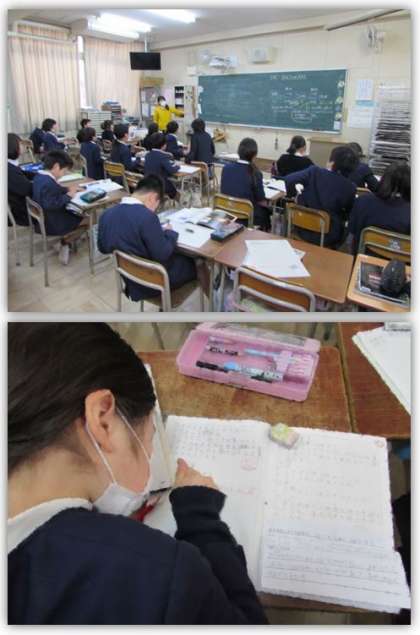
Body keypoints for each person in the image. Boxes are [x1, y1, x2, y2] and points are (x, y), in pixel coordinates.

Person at [8, 322, 267, 625]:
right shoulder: (160, 574)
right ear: (103, 420)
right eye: (150, 439)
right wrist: (201, 519)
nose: (152, 454)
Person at [98, 175, 198, 303]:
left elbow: (102, 247)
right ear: (152, 197)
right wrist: (170, 232)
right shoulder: (147, 217)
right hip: (153, 282)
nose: (154, 210)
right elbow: (163, 254)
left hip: (130, 279)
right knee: (198, 262)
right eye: (156, 205)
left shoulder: (106, 215)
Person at [284, 145, 358, 247]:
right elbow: (349, 213)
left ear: (332, 162)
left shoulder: (314, 172)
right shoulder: (350, 187)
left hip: (301, 227)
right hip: (328, 236)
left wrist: (294, 196)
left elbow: (289, 179)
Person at [32, 150, 87, 265]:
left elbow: (53, 191)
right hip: (53, 222)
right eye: (64, 171)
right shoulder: (48, 183)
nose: (64, 174)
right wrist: (69, 195)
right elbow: (51, 204)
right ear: (56, 166)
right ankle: (64, 242)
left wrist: (68, 189)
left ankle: (65, 242)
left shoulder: (40, 177)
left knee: (79, 212)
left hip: (44, 218)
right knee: (90, 219)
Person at [348, 161, 410, 254]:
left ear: (383, 179)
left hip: (362, 256)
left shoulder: (362, 200)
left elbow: (350, 240)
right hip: (397, 261)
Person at [220, 137, 271, 231]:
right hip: (246, 216)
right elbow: (261, 201)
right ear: (254, 155)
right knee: (266, 211)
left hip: (227, 211)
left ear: (238, 152)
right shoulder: (256, 173)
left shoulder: (226, 168)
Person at [144, 133, 179, 200]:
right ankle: (178, 204)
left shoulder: (148, 154)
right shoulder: (163, 156)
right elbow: (172, 169)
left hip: (148, 183)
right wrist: (178, 165)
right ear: (164, 145)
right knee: (175, 192)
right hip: (160, 184)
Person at [7, 133, 32, 226]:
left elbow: (22, 174)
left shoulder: (9, 164)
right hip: (22, 212)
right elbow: (27, 189)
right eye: (21, 144)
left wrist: (38, 175)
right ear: (13, 147)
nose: (23, 146)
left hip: (17, 203)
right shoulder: (9, 170)